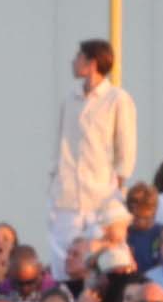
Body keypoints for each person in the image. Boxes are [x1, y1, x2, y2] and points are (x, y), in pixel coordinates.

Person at [51, 38, 141, 270]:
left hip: (101, 200)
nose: (73, 62)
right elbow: (60, 147)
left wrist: (115, 189)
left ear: (91, 63)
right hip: (67, 199)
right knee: (65, 264)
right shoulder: (70, 100)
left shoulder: (117, 99)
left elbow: (125, 151)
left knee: (106, 262)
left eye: (78, 57)